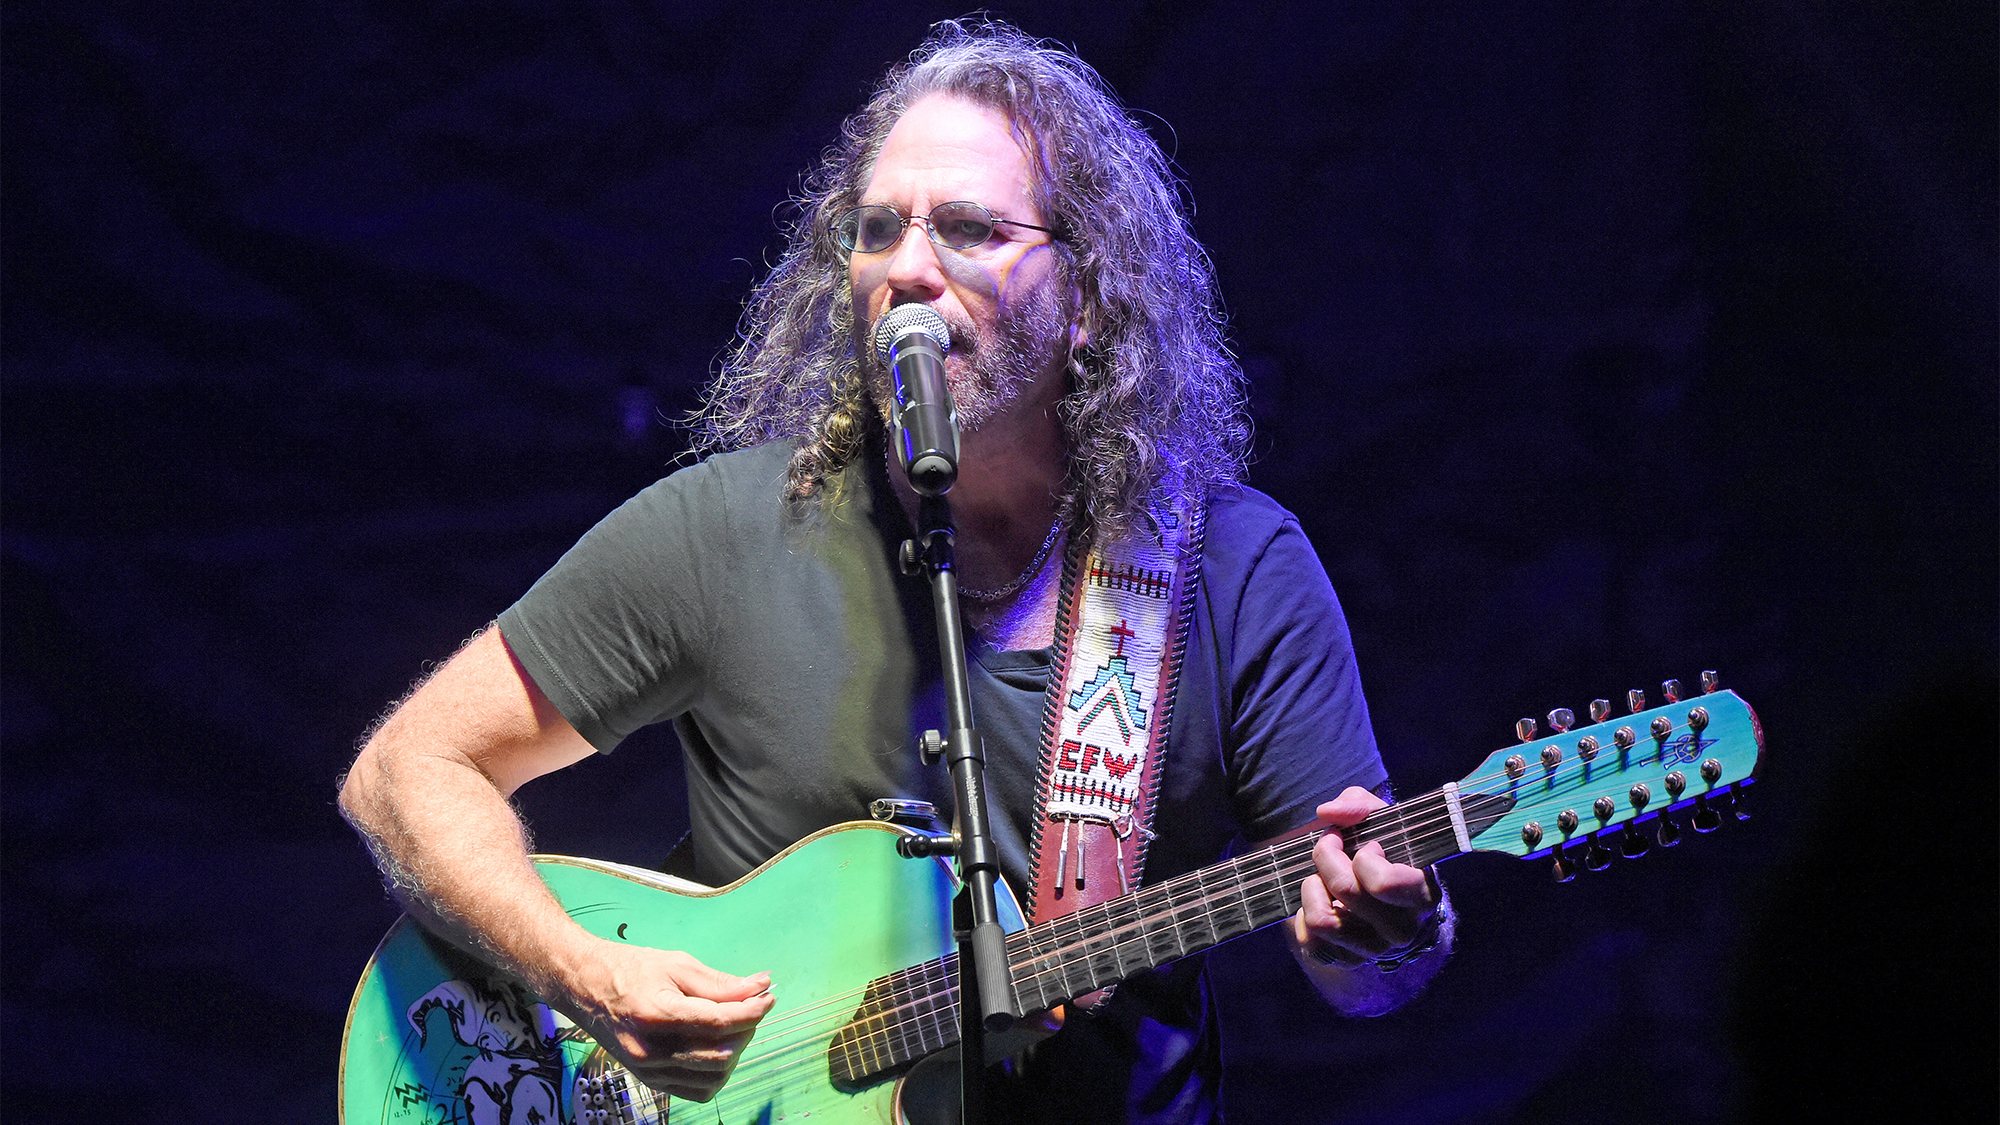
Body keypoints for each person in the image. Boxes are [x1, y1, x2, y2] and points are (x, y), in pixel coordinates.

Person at [339, 20, 1450, 1124]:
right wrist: (581, 970)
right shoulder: (726, 530)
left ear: (1088, 300)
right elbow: (405, 768)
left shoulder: (1234, 571)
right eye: (877, 231)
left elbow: (1368, 979)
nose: (909, 269)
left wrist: (1385, 934)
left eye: (967, 228)